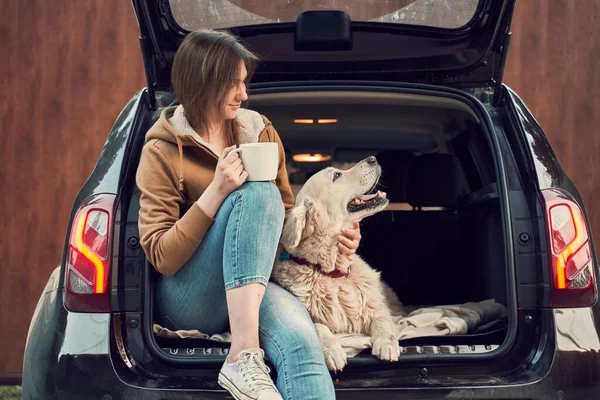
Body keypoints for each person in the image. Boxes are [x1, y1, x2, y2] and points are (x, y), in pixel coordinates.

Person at [136, 29, 362, 400]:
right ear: (203, 82)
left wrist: (338, 239)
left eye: (245, 82)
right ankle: (242, 357)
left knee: (304, 345)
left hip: (256, 286)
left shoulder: (259, 130)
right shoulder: (162, 150)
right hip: (192, 298)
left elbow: (288, 225)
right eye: (234, 84)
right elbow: (162, 256)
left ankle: (247, 355)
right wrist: (217, 191)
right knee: (259, 191)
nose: (244, 94)